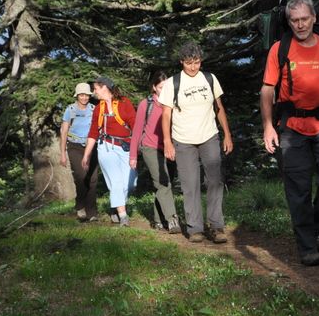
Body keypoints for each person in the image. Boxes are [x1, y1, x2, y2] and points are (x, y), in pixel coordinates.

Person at [260, 0, 319, 266]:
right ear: (289, 21)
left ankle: (318, 226)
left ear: (314, 18)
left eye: (304, 19)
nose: (300, 25)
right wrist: (267, 127)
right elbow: (267, 90)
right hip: (291, 127)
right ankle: (307, 245)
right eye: (294, 20)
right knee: (297, 188)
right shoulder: (279, 49)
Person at [160, 42, 234, 244]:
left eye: (197, 62)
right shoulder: (172, 83)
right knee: (190, 185)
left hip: (209, 136)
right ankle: (195, 228)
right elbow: (166, 115)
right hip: (183, 140)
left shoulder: (210, 79)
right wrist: (167, 141)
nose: (193, 67)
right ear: (181, 62)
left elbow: (219, 107)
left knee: (215, 181)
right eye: (189, 63)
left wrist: (227, 134)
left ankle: (216, 226)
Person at [82, 76, 138, 227]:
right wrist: (87, 154)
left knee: (130, 183)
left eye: (96, 89)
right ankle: (123, 216)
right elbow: (93, 132)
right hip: (105, 147)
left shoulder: (125, 103)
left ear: (105, 88)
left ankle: (115, 206)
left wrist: (136, 149)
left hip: (125, 147)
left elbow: (135, 126)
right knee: (116, 181)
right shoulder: (98, 108)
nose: (94, 92)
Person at [130, 71, 181, 234]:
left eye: (167, 87)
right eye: (160, 87)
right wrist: (133, 156)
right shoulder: (146, 104)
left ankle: (158, 220)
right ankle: (173, 220)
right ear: (154, 87)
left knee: (165, 185)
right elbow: (137, 131)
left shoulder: (174, 103)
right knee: (163, 183)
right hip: (150, 147)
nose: (164, 90)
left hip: (169, 148)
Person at [59, 82, 99, 222]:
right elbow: (64, 131)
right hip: (74, 147)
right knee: (82, 177)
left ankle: (92, 211)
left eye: (86, 95)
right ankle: (80, 205)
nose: (84, 98)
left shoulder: (94, 109)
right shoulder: (70, 110)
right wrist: (62, 153)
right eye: (81, 95)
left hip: (91, 147)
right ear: (77, 96)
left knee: (93, 179)